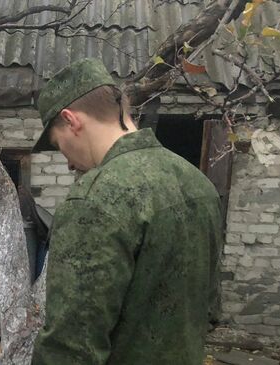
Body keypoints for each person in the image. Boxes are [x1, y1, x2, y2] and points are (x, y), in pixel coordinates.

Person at [31, 58, 223, 365]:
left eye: (58, 144)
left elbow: (70, 348)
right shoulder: (198, 183)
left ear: (71, 120)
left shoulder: (94, 199)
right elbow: (209, 309)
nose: (67, 161)